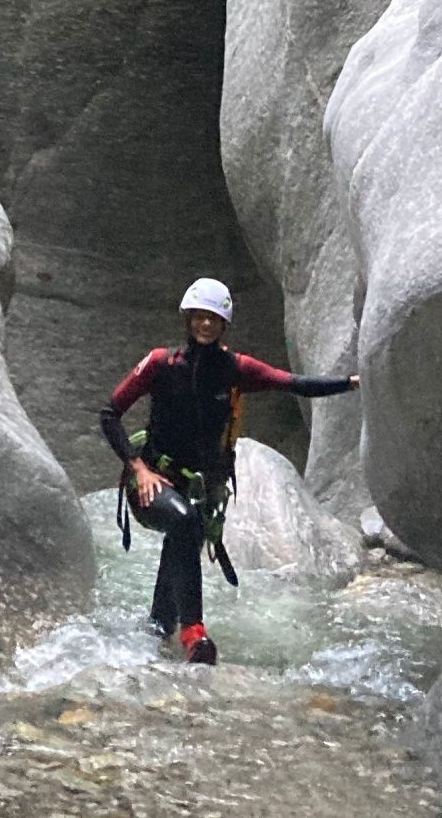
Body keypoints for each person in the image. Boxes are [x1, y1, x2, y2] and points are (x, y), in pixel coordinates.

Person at [99, 276, 359, 665]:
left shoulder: (236, 368)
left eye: (214, 318)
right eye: (199, 317)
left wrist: (352, 382)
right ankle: (195, 634)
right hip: (151, 481)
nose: (205, 324)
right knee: (185, 525)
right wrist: (137, 468)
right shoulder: (160, 363)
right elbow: (109, 414)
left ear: (223, 324)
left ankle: (157, 629)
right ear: (188, 319)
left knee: (182, 536)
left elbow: (295, 384)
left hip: (197, 487)